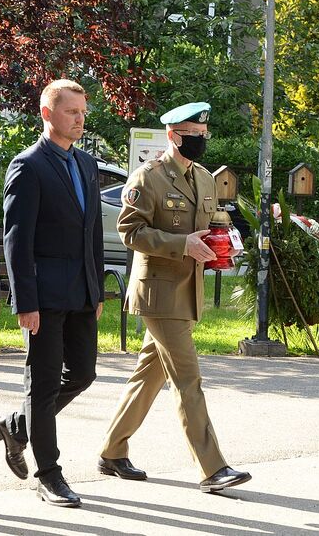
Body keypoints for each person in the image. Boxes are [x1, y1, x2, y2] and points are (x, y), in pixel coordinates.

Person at [97, 102, 252, 493]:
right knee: (188, 379)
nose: (199, 141)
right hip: (159, 291)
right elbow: (131, 231)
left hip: (188, 289)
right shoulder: (147, 178)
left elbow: (211, 225)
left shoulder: (203, 177)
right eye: (191, 135)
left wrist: (223, 244)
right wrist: (182, 244)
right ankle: (212, 468)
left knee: (148, 377)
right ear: (172, 136)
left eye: (203, 135)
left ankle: (112, 451)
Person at [0, 79, 104, 508]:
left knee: (82, 373)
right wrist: (25, 301)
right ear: (47, 113)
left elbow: (92, 231)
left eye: (82, 112)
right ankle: (49, 473)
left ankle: (17, 427)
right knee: (41, 385)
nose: (79, 119)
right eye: (70, 112)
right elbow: (15, 241)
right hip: (43, 295)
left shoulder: (86, 164)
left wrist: (96, 287)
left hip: (81, 292)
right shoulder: (28, 166)